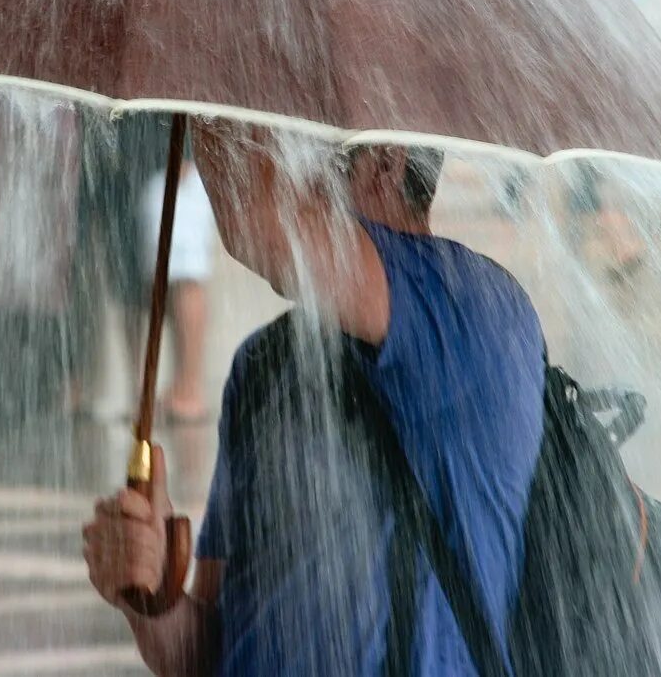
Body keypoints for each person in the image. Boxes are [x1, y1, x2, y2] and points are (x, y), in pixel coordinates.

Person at [83, 123, 548, 675]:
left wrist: (201, 91)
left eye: (304, 145)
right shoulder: (265, 363)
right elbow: (209, 654)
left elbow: (257, 222)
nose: (287, 165)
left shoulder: (477, 308)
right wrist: (156, 599)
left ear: (385, 160)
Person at [137, 154, 216, 424]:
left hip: (175, 161)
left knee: (185, 273)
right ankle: (181, 387)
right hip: (147, 164)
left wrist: (185, 153)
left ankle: (190, 390)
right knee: (170, 276)